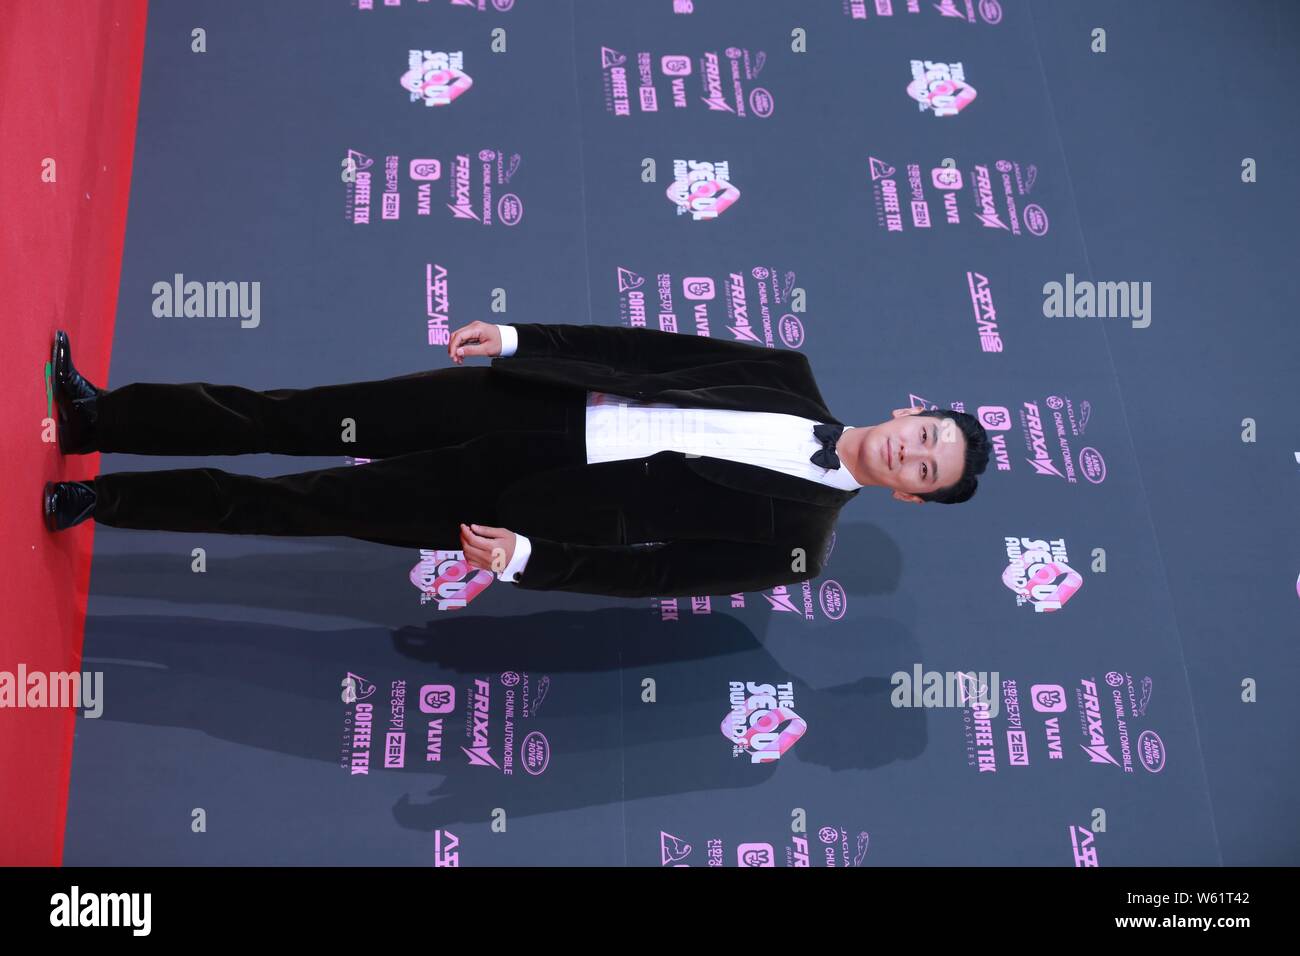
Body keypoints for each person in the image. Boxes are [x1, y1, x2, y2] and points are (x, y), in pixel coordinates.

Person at [43, 322, 990, 598]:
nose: (913, 450)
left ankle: (106, 501)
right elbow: (642, 354)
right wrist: (519, 339)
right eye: (927, 434)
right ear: (912, 410)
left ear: (911, 498)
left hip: (521, 504)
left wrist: (531, 560)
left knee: (300, 505)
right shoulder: (786, 370)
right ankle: (99, 419)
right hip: (521, 402)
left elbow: (654, 572)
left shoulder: (799, 547)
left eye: (925, 470)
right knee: (296, 417)